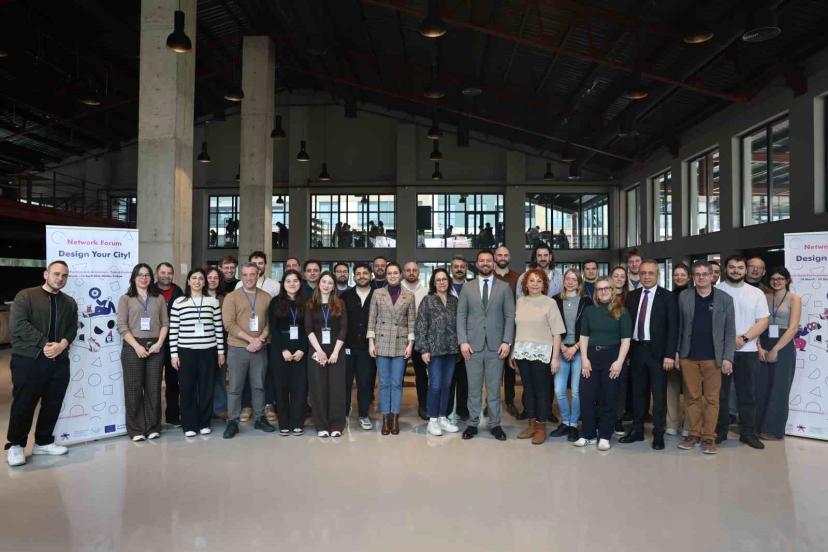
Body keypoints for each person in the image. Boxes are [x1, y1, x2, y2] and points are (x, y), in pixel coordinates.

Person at [5, 260, 78, 467]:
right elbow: (18, 325)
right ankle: (16, 445)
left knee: (53, 402)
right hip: (29, 359)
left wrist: (62, 344)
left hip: (59, 360)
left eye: (64, 275)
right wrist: (45, 343)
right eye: (56, 274)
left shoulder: (69, 302)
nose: (60, 278)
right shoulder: (26, 296)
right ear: (46, 274)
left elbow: (72, 328)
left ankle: (43, 442)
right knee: (24, 403)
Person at [676, 261, 736, 455]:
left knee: (712, 399)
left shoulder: (725, 299)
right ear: (693, 277)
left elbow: (730, 331)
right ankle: (693, 434)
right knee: (692, 397)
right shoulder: (684, 297)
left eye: (704, 274)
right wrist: (677, 353)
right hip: (688, 356)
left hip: (714, 358)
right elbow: (679, 327)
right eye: (697, 274)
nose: (701, 277)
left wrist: (728, 358)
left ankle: (709, 436)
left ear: (712, 276)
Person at [619, 259, 679, 451]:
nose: (646, 276)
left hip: (659, 354)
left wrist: (670, 354)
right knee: (638, 393)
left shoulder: (668, 297)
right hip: (637, 351)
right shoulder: (632, 296)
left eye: (650, 273)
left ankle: (658, 434)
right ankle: (637, 430)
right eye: (643, 273)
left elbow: (673, 328)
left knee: (659, 396)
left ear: (658, 275)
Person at [458, 250, 515, 441]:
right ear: (476, 264)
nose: (485, 263)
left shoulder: (504, 288)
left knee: (493, 389)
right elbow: (461, 315)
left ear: (493, 263)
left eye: (488, 261)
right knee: (473, 389)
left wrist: (507, 341)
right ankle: (472, 423)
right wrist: (463, 341)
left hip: (496, 346)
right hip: (472, 346)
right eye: (481, 261)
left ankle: (495, 424)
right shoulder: (467, 287)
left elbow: (509, 316)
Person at [715, 255, 769, 449]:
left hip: (748, 350)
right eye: (732, 267)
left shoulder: (756, 293)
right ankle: (720, 431)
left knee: (747, 395)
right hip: (721, 352)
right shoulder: (716, 291)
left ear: (745, 270)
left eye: (740, 267)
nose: (736, 271)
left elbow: (763, 321)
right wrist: (729, 341)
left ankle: (748, 433)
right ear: (725, 269)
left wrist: (744, 338)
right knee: (720, 395)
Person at [574, 277, 632, 451]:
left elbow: (626, 340)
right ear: (596, 293)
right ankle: (588, 434)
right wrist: (584, 359)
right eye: (600, 289)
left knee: (609, 397)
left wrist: (619, 362)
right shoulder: (589, 311)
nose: (603, 291)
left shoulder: (622, 311)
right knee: (586, 396)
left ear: (612, 290)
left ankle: (605, 435)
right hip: (591, 357)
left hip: (612, 357)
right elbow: (584, 337)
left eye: (607, 288)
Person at [510, 268, 565, 445]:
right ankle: (531, 425)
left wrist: (555, 358)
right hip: (522, 352)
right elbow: (517, 329)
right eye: (531, 281)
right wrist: (513, 352)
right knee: (528, 390)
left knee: (542, 391)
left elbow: (557, 333)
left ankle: (541, 428)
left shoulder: (550, 303)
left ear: (544, 284)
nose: (535, 284)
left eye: (539, 281)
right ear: (525, 284)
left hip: (543, 353)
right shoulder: (520, 302)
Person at [169, 268, 225, 437]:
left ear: (204, 282)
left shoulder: (212, 302)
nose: (197, 281)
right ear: (188, 281)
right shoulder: (179, 302)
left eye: (201, 278)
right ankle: (189, 424)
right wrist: (173, 354)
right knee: (187, 389)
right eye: (194, 278)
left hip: (208, 351)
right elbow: (173, 330)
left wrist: (220, 353)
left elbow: (218, 328)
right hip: (186, 352)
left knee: (206, 388)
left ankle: (204, 422)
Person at [117, 263, 170, 442]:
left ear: (151, 278)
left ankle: (153, 427)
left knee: (153, 389)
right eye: (140, 275)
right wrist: (136, 346)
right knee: (133, 389)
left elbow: (165, 323)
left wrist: (159, 343)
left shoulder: (158, 298)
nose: (144, 278)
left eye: (147, 275)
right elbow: (121, 326)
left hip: (156, 346)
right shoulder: (126, 299)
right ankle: (136, 429)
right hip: (133, 347)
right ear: (134, 277)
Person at [221, 263, 274, 439]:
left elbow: (270, 323)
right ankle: (232, 421)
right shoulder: (231, 297)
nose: (249, 278)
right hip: (238, 348)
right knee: (235, 387)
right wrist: (251, 340)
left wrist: (260, 339)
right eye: (245, 274)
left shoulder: (266, 297)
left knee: (259, 385)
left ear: (258, 275)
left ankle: (259, 418)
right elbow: (229, 324)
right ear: (241, 276)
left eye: (252, 274)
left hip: (260, 348)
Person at [368, 262, 416, 435]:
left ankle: (394, 418)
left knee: (396, 383)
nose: (393, 275)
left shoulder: (409, 295)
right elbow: (372, 319)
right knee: (384, 383)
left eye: (396, 272)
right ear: (386, 275)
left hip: (400, 343)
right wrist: (371, 342)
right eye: (389, 273)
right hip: (381, 342)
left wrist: (410, 344)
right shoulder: (377, 293)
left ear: (400, 274)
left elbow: (412, 322)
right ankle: (385, 418)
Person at [234, 251, 280, 424]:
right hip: (244, 340)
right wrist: (249, 340)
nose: (258, 266)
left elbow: (275, 312)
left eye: (261, 263)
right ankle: (247, 405)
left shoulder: (274, 285)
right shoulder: (239, 285)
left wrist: (261, 339)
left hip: (266, 338)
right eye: (254, 262)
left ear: (265, 265)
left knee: (266, 373)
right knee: (247, 374)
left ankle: (268, 404)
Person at [756, 267, 801, 440]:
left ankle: (773, 429)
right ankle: (758, 426)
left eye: (780, 278)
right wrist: (759, 347)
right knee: (761, 387)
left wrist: (775, 350)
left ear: (787, 280)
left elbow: (793, 327)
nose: (776, 281)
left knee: (779, 388)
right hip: (763, 341)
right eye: (773, 278)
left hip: (783, 345)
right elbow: (757, 322)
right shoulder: (764, 297)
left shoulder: (794, 298)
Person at [415, 268, 460, 436]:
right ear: (433, 283)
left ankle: (443, 417)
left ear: (449, 281)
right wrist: (424, 349)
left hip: (451, 350)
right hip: (434, 351)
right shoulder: (428, 300)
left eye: (444, 279)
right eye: (438, 280)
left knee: (447, 385)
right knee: (435, 385)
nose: (442, 282)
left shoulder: (454, 301)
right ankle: (432, 420)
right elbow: (420, 326)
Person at [305, 272, 348, 438]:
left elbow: (343, 328)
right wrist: (319, 351)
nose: (326, 285)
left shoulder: (340, 303)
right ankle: (321, 424)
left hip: (336, 350)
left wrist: (335, 352)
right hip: (317, 350)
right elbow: (308, 329)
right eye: (324, 281)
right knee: (318, 388)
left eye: (330, 283)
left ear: (333, 286)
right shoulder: (311, 304)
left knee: (336, 388)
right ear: (319, 284)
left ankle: (336, 424)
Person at [551, 268, 592, 442]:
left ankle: (574, 424)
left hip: (579, 350)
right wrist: (561, 347)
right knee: (559, 390)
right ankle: (566, 421)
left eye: (574, 279)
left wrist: (574, 348)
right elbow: (551, 327)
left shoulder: (586, 302)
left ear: (579, 283)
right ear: (564, 281)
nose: (570, 282)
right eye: (567, 278)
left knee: (576, 391)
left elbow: (589, 329)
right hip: (560, 349)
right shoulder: (555, 301)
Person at [268, 270, 308, 436]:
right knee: (281, 387)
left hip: (301, 349)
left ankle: (297, 422)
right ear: (283, 284)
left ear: (300, 283)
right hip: (280, 349)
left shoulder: (307, 302)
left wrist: (302, 349)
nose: (292, 284)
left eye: (295, 280)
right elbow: (273, 329)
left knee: (300, 388)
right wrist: (283, 349)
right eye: (288, 281)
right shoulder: (275, 302)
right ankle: (283, 423)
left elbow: (310, 328)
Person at [341, 264, 376, 431]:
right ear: (353, 277)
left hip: (368, 347)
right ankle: (343, 413)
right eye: (358, 274)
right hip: (347, 346)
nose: (362, 276)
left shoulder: (378, 295)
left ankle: (363, 414)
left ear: (371, 275)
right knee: (345, 382)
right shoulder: (345, 296)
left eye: (365, 273)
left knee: (365, 382)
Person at [493, 246, 521, 418]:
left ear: (509, 257)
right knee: (493, 370)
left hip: (511, 329)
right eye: (499, 255)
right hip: (492, 330)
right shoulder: (489, 277)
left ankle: (510, 401)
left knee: (510, 369)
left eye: (505, 255)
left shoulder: (517, 278)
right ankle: (492, 401)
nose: (502, 258)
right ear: (495, 257)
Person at [156, 262, 183, 426]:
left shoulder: (179, 292)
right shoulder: (150, 291)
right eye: (163, 272)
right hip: (154, 342)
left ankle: (172, 416)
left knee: (173, 382)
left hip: (174, 342)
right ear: (157, 273)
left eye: (169, 273)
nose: (166, 276)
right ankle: (154, 419)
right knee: (153, 382)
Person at [402, 261, 429, 420]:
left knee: (422, 375)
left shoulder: (427, 292)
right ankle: (393, 409)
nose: (411, 272)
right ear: (403, 272)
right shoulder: (396, 289)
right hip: (400, 339)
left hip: (420, 339)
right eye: (408, 270)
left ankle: (423, 406)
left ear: (418, 272)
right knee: (397, 376)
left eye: (414, 270)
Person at [447, 254, 470, 421]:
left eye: (462, 266)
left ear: (466, 269)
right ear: (451, 269)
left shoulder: (473, 287)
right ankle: (447, 409)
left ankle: (462, 409)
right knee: (449, 378)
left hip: (469, 340)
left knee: (465, 378)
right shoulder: (444, 287)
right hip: (448, 341)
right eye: (456, 266)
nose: (459, 269)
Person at [205, 267, 228, 420]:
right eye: (210, 277)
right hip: (203, 342)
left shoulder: (225, 298)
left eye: (216, 278)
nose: (212, 280)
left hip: (222, 342)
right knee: (204, 377)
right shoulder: (198, 296)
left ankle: (219, 409)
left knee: (219, 376)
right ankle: (205, 408)